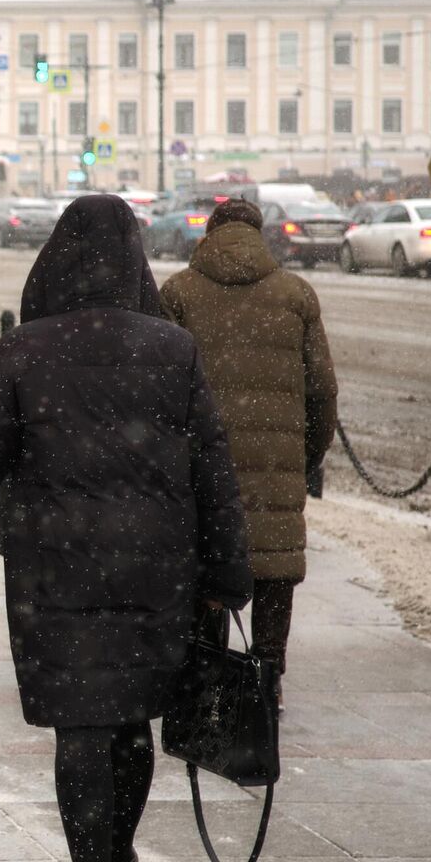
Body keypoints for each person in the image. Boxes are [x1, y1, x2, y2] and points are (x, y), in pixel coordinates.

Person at [0, 195, 252, 862]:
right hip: (154, 567)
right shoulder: (172, 348)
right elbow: (213, 469)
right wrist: (226, 571)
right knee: (132, 718)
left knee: (79, 724)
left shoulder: (25, 350)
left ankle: (91, 854)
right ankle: (119, 848)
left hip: (55, 569)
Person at [160, 198, 337, 705]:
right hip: (276, 469)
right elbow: (323, 392)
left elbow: (162, 389)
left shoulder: (179, 293)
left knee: (207, 570)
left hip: (199, 470)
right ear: (260, 235)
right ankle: (266, 680)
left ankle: (205, 680)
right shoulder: (296, 295)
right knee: (275, 568)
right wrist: (304, 458)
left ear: (208, 235)